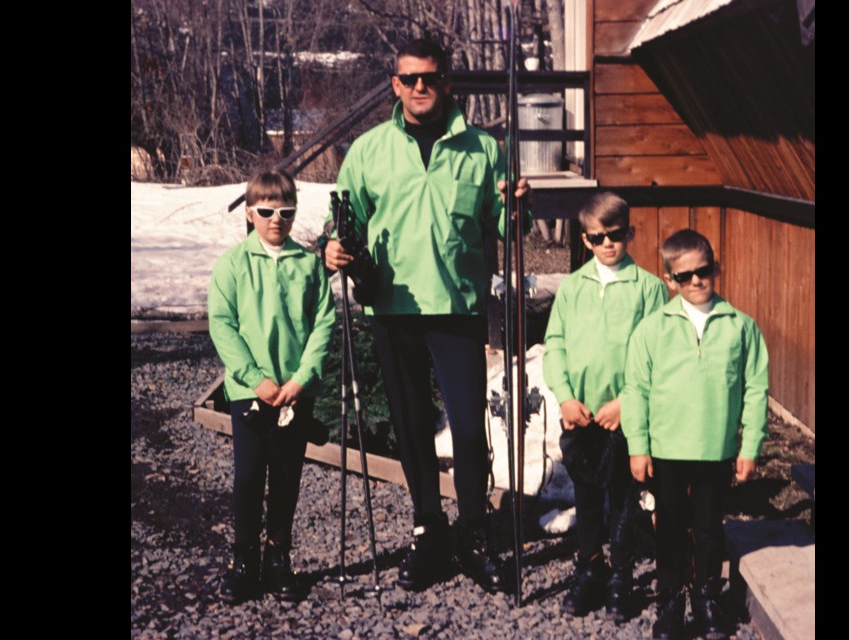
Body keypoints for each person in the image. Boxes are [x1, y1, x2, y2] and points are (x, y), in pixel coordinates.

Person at [324, 37, 530, 594]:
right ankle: (429, 530)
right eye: (410, 78)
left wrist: (518, 207)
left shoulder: (484, 148)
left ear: (447, 83)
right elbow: (345, 221)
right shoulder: (368, 150)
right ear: (395, 84)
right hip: (393, 307)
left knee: (466, 428)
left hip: (458, 307)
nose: (420, 87)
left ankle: (473, 532)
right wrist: (334, 248)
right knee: (413, 427)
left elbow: (509, 228)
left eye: (431, 78)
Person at [620, 229, 769, 639]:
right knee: (667, 527)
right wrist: (638, 446)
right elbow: (636, 390)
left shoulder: (741, 327)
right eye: (684, 276)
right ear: (669, 280)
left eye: (704, 271)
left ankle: (705, 595)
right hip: (667, 448)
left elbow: (756, 389)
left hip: (715, 448)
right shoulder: (652, 330)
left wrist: (749, 446)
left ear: (715, 268)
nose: (697, 281)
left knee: (708, 528)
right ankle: (670, 599)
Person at [209, 170, 336, 604]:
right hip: (251, 392)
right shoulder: (233, 265)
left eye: (285, 212)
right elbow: (223, 325)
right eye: (265, 212)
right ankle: (242, 559)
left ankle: (278, 556)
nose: (276, 220)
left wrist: (301, 379)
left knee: (286, 475)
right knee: (248, 476)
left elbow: (323, 324)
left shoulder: (307, 265)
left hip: (295, 393)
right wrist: (253, 378)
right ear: (249, 213)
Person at [542, 192, 667, 621]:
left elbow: (658, 357)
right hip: (581, 414)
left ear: (629, 233)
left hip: (624, 417)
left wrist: (627, 402)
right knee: (588, 496)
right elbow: (554, 344)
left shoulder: (649, 289)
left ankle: (621, 575)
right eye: (598, 237)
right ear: (586, 239)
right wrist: (564, 396)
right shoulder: (573, 288)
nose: (607, 244)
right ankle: (590, 568)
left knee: (624, 498)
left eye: (616, 235)